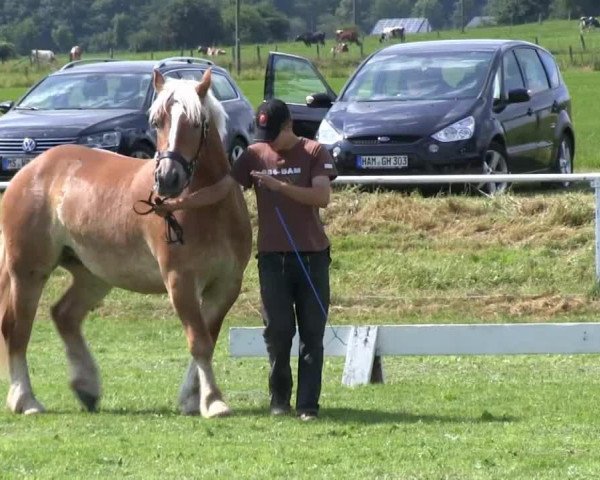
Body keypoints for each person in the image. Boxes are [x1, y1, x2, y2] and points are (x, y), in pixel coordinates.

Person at [156, 98, 337, 421]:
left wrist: (279, 186)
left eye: (272, 133)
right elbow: (222, 189)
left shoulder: (314, 152)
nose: (266, 140)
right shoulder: (255, 155)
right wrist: (180, 204)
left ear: (288, 125)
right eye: (262, 132)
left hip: (312, 258)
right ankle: (279, 401)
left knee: (312, 333)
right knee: (278, 333)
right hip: (272, 260)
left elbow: (322, 197)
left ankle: (308, 405)